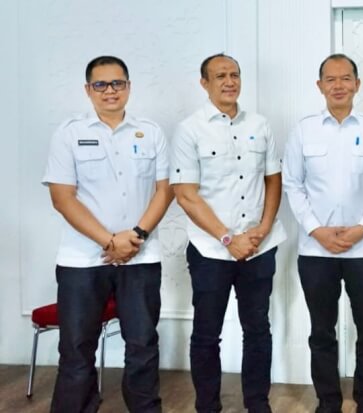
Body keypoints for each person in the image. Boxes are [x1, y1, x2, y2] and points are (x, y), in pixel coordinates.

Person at [42, 55, 172, 412]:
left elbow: (165, 190)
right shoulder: (69, 133)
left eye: (117, 83)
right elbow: (62, 198)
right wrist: (109, 241)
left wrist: (136, 236)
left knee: (143, 345)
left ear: (129, 87)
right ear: (88, 90)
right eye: (100, 84)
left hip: (141, 257)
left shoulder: (151, 132)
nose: (110, 90)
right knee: (76, 349)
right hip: (82, 260)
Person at [171, 53, 286, 413]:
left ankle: (258, 405)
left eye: (234, 74)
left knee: (258, 330)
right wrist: (227, 238)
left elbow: (273, 180)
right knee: (207, 334)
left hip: (258, 247)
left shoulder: (260, 124)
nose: (229, 81)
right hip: (211, 250)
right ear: (204, 83)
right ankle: (208, 406)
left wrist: (263, 229)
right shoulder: (190, 129)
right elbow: (185, 194)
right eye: (220, 76)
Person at [282, 53, 363, 413]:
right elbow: (292, 185)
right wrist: (317, 231)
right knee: (321, 331)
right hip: (316, 250)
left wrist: (362, 228)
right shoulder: (304, 130)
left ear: (357, 84)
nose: (339, 85)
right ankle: (327, 402)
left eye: (346, 78)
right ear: (320, 86)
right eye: (331, 79)